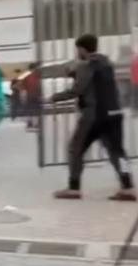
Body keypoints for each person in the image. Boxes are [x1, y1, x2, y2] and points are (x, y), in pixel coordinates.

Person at [52, 34, 135, 201]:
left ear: (82, 49)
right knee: (117, 152)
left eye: (78, 49)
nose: (77, 53)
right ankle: (128, 187)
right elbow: (96, 80)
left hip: (95, 116)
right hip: (114, 113)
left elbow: (78, 90)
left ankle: (74, 188)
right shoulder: (107, 63)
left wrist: (54, 97)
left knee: (75, 149)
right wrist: (75, 73)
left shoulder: (86, 65)